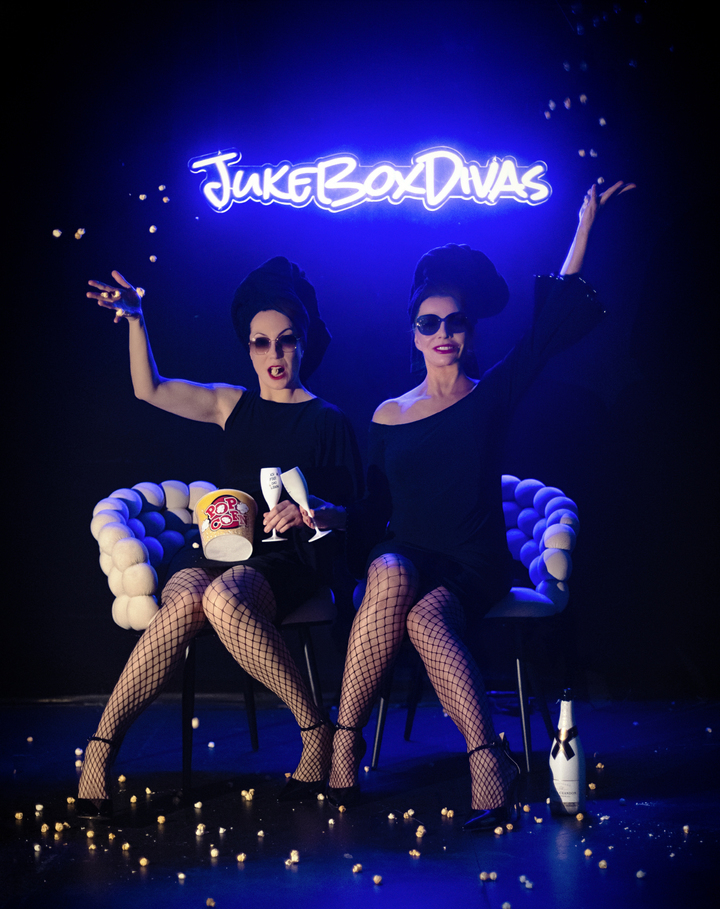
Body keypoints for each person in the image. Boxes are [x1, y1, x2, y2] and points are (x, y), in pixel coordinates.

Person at [326, 182, 635, 826]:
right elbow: (373, 509)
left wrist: (584, 226)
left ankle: (486, 762)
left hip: (470, 560)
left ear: (468, 331)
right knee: (390, 574)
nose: (443, 332)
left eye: (455, 322)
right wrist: (331, 518)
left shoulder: (488, 395)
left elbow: (546, 331)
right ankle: (343, 744)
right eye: (429, 323)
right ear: (413, 334)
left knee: (424, 620)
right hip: (405, 551)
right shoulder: (387, 413)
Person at [79, 257, 362, 817]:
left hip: (285, 559)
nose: (275, 354)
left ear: (303, 343)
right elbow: (149, 389)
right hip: (217, 544)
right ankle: (101, 748)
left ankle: (313, 730)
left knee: (223, 598)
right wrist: (136, 318)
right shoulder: (231, 404)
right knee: (186, 598)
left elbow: (356, 515)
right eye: (262, 343)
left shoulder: (328, 419)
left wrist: (315, 513)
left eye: (286, 340)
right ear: (248, 348)